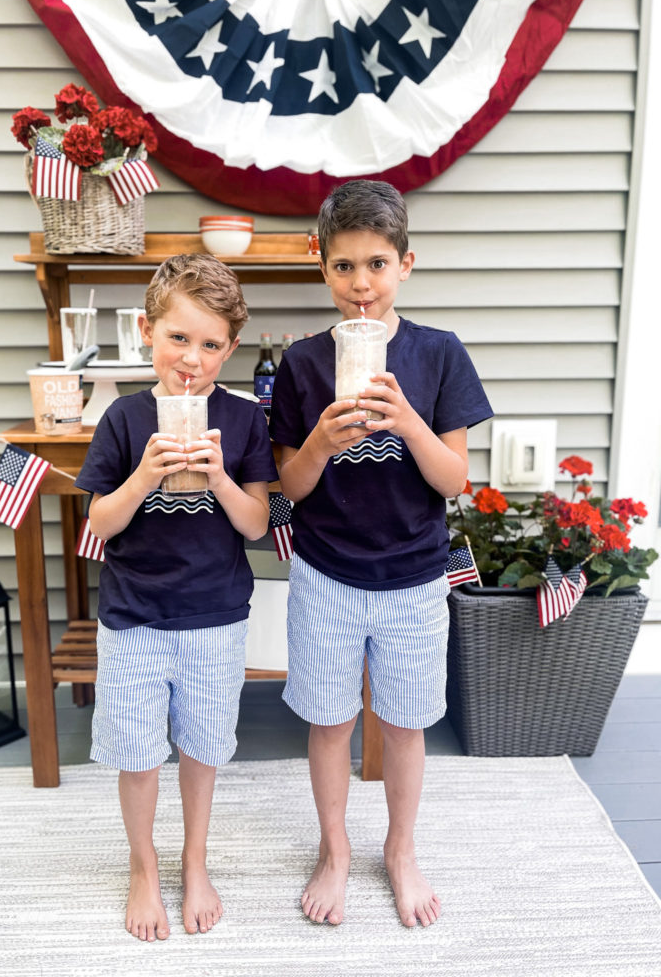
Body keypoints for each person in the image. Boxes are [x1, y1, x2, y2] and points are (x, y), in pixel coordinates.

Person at [269, 180, 493, 929]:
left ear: (406, 264)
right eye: (342, 267)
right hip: (326, 570)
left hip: (413, 574)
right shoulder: (302, 365)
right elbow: (288, 486)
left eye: (375, 264)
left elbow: (454, 478)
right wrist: (324, 443)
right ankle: (335, 849)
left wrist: (407, 422)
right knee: (330, 721)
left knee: (405, 723)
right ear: (321, 266)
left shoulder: (438, 355)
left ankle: (400, 849)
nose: (360, 285)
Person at [75, 254, 277, 942]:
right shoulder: (125, 420)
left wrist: (220, 477)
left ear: (231, 347)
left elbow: (255, 524)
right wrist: (141, 477)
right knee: (136, 753)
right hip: (134, 617)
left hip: (214, 614)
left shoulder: (246, 423)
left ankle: (194, 861)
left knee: (202, 747)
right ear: (146, 333)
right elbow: (99, 523)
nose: (192, 359)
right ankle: (142, 865)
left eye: (211, 344)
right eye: (178, 338)